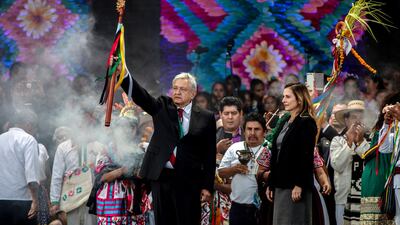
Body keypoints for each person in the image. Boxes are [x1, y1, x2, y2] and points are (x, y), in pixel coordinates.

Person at [121, 72, 216, 225]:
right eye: (175, 88)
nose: (177, 92)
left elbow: (209, 155)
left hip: (189, 181)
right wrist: (124, 76)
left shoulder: (206, 117)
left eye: (182, 89)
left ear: (193, 93)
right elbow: (141, 95)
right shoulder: (162, 107)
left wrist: (207, 186)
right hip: (162, 177)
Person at [266, 82, 317, 225]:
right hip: (280, 184)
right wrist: (271, 183)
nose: (283, 100)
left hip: (295, 186)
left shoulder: (307, 122)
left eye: (288, 97)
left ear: (299, 99)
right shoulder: (285, 121)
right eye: (283, 96)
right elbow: (276, 154)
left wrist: (299, 184)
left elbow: (305, 156)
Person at [218, 112, 267, 225]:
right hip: (237, 208)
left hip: (262, 207)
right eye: (249, 129)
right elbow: (221, 173)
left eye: (257, 129)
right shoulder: (235, 148)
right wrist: (234, 169)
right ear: (244, 131)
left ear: (265, 131)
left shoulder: (269, 150)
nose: (252, 133)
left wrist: (261, 174)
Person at [360, 93, 400, 224]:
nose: (391, 110)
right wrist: (387, 124)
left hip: (386, 173)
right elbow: (384, 148)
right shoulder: (392, 127)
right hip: (391, 178)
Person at [330, 100, 370, 225]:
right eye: (353, 117)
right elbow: (337, 165)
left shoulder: (372, 141)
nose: (357, 121)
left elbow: (368, 158)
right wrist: (349, 144)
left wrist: (360, 141)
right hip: (343, 199)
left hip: (367, 199)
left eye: (361, 117)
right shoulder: (337, 141)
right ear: (346, 121)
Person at [0, 110, 40, 225]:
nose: (34, 131)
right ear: (28, 124)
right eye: (35, 127)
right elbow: (31, 176)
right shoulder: (28, 139)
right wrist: (35, 200)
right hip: (21, 201)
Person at [378, 99, 400, 224]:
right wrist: (386, 123)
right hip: (396, 180)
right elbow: (384, 148)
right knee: (397, 220)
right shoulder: (397, 126)